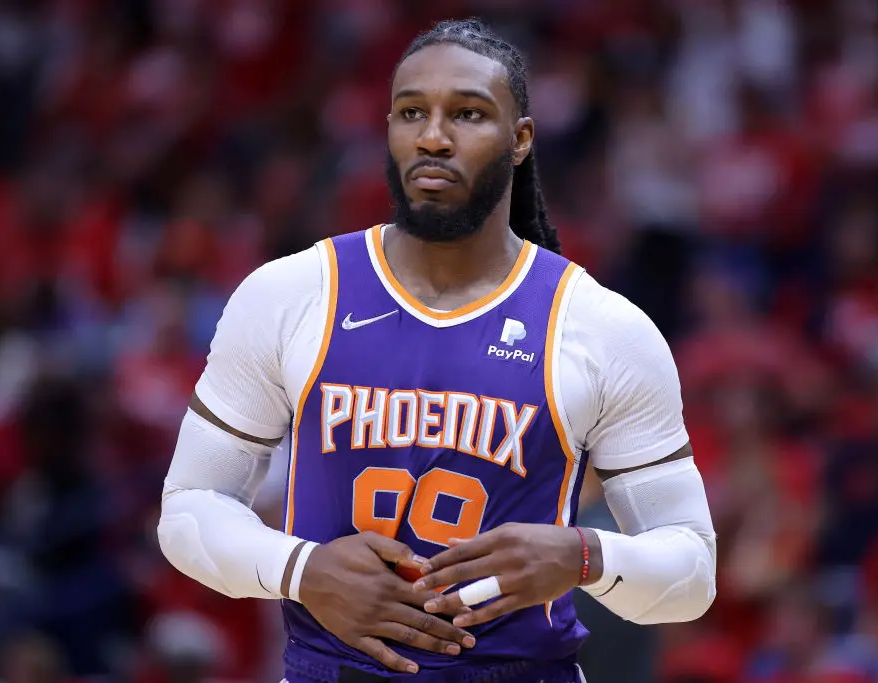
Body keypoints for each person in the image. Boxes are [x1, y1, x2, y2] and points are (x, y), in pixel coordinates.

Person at [157, 18, 717, 683]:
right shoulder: (291, 293)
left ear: (520, 140)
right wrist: (300, 568)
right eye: (411, 112)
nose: (432, 136)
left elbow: (692, 568)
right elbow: (189, 507)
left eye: (468, 114)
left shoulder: (600, 327)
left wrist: (582, 554)